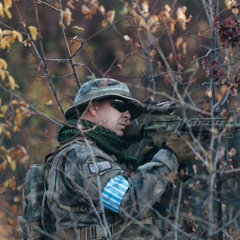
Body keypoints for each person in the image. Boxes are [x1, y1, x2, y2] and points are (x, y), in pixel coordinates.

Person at [42, 78, 195, 239]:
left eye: (129, 109)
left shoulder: (107, 155)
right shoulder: (81, 154)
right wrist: (168, 156)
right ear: (94, 107)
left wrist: (156, 163)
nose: (128, 115)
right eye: (119, 106)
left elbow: (156, 213)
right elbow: (129, 204)